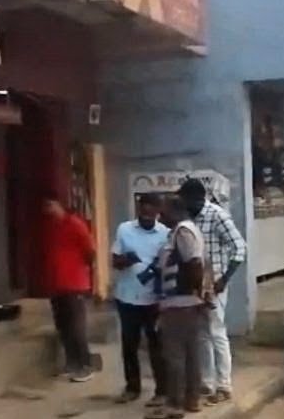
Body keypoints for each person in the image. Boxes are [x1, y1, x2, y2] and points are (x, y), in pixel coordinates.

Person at [177, 179, 246, 406]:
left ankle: (224, 385)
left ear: (196, 198)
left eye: (184, 198)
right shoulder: (189, 219)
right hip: (197, 283)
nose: (182, 203)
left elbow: (240, 248)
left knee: (216, 332)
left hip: (215, 283)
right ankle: (206, 382)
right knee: (202, 334)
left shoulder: (217, 215)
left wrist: (224, 279)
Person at [151, 196, 209, 419]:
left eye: (164, 211)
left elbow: (194, 263)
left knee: (174, 355)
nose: (160, 216)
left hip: (180, 303)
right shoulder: (183, 231)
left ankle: (175, 404)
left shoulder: (183, 231)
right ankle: (191, 400)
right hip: (185, 302)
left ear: (176, 211)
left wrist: (194, 292)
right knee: (190, 354)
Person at [111, 193, 169, 404]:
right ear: (138, 209)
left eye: (150, 211)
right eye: (143, 210)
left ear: (158, 211)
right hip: (127, 297)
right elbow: (114, 261)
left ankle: (162, 391)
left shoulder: (166, 234)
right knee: (129, 345)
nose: (146, 215)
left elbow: (168, 265)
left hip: (153, 300)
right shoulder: (124, 229)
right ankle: (132, 387)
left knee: (157, 346)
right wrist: (126, 260)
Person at [44, 193, 96, 382]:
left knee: (76, 327)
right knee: (63, 326)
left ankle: (86, 365)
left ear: (59, 205)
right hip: (56, 285)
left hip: (75, 284)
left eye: (50, 205)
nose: (48, 210)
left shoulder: (75, 224)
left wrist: (81, 271)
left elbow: (90, 251)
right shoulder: (52, 226)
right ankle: (71, 363)